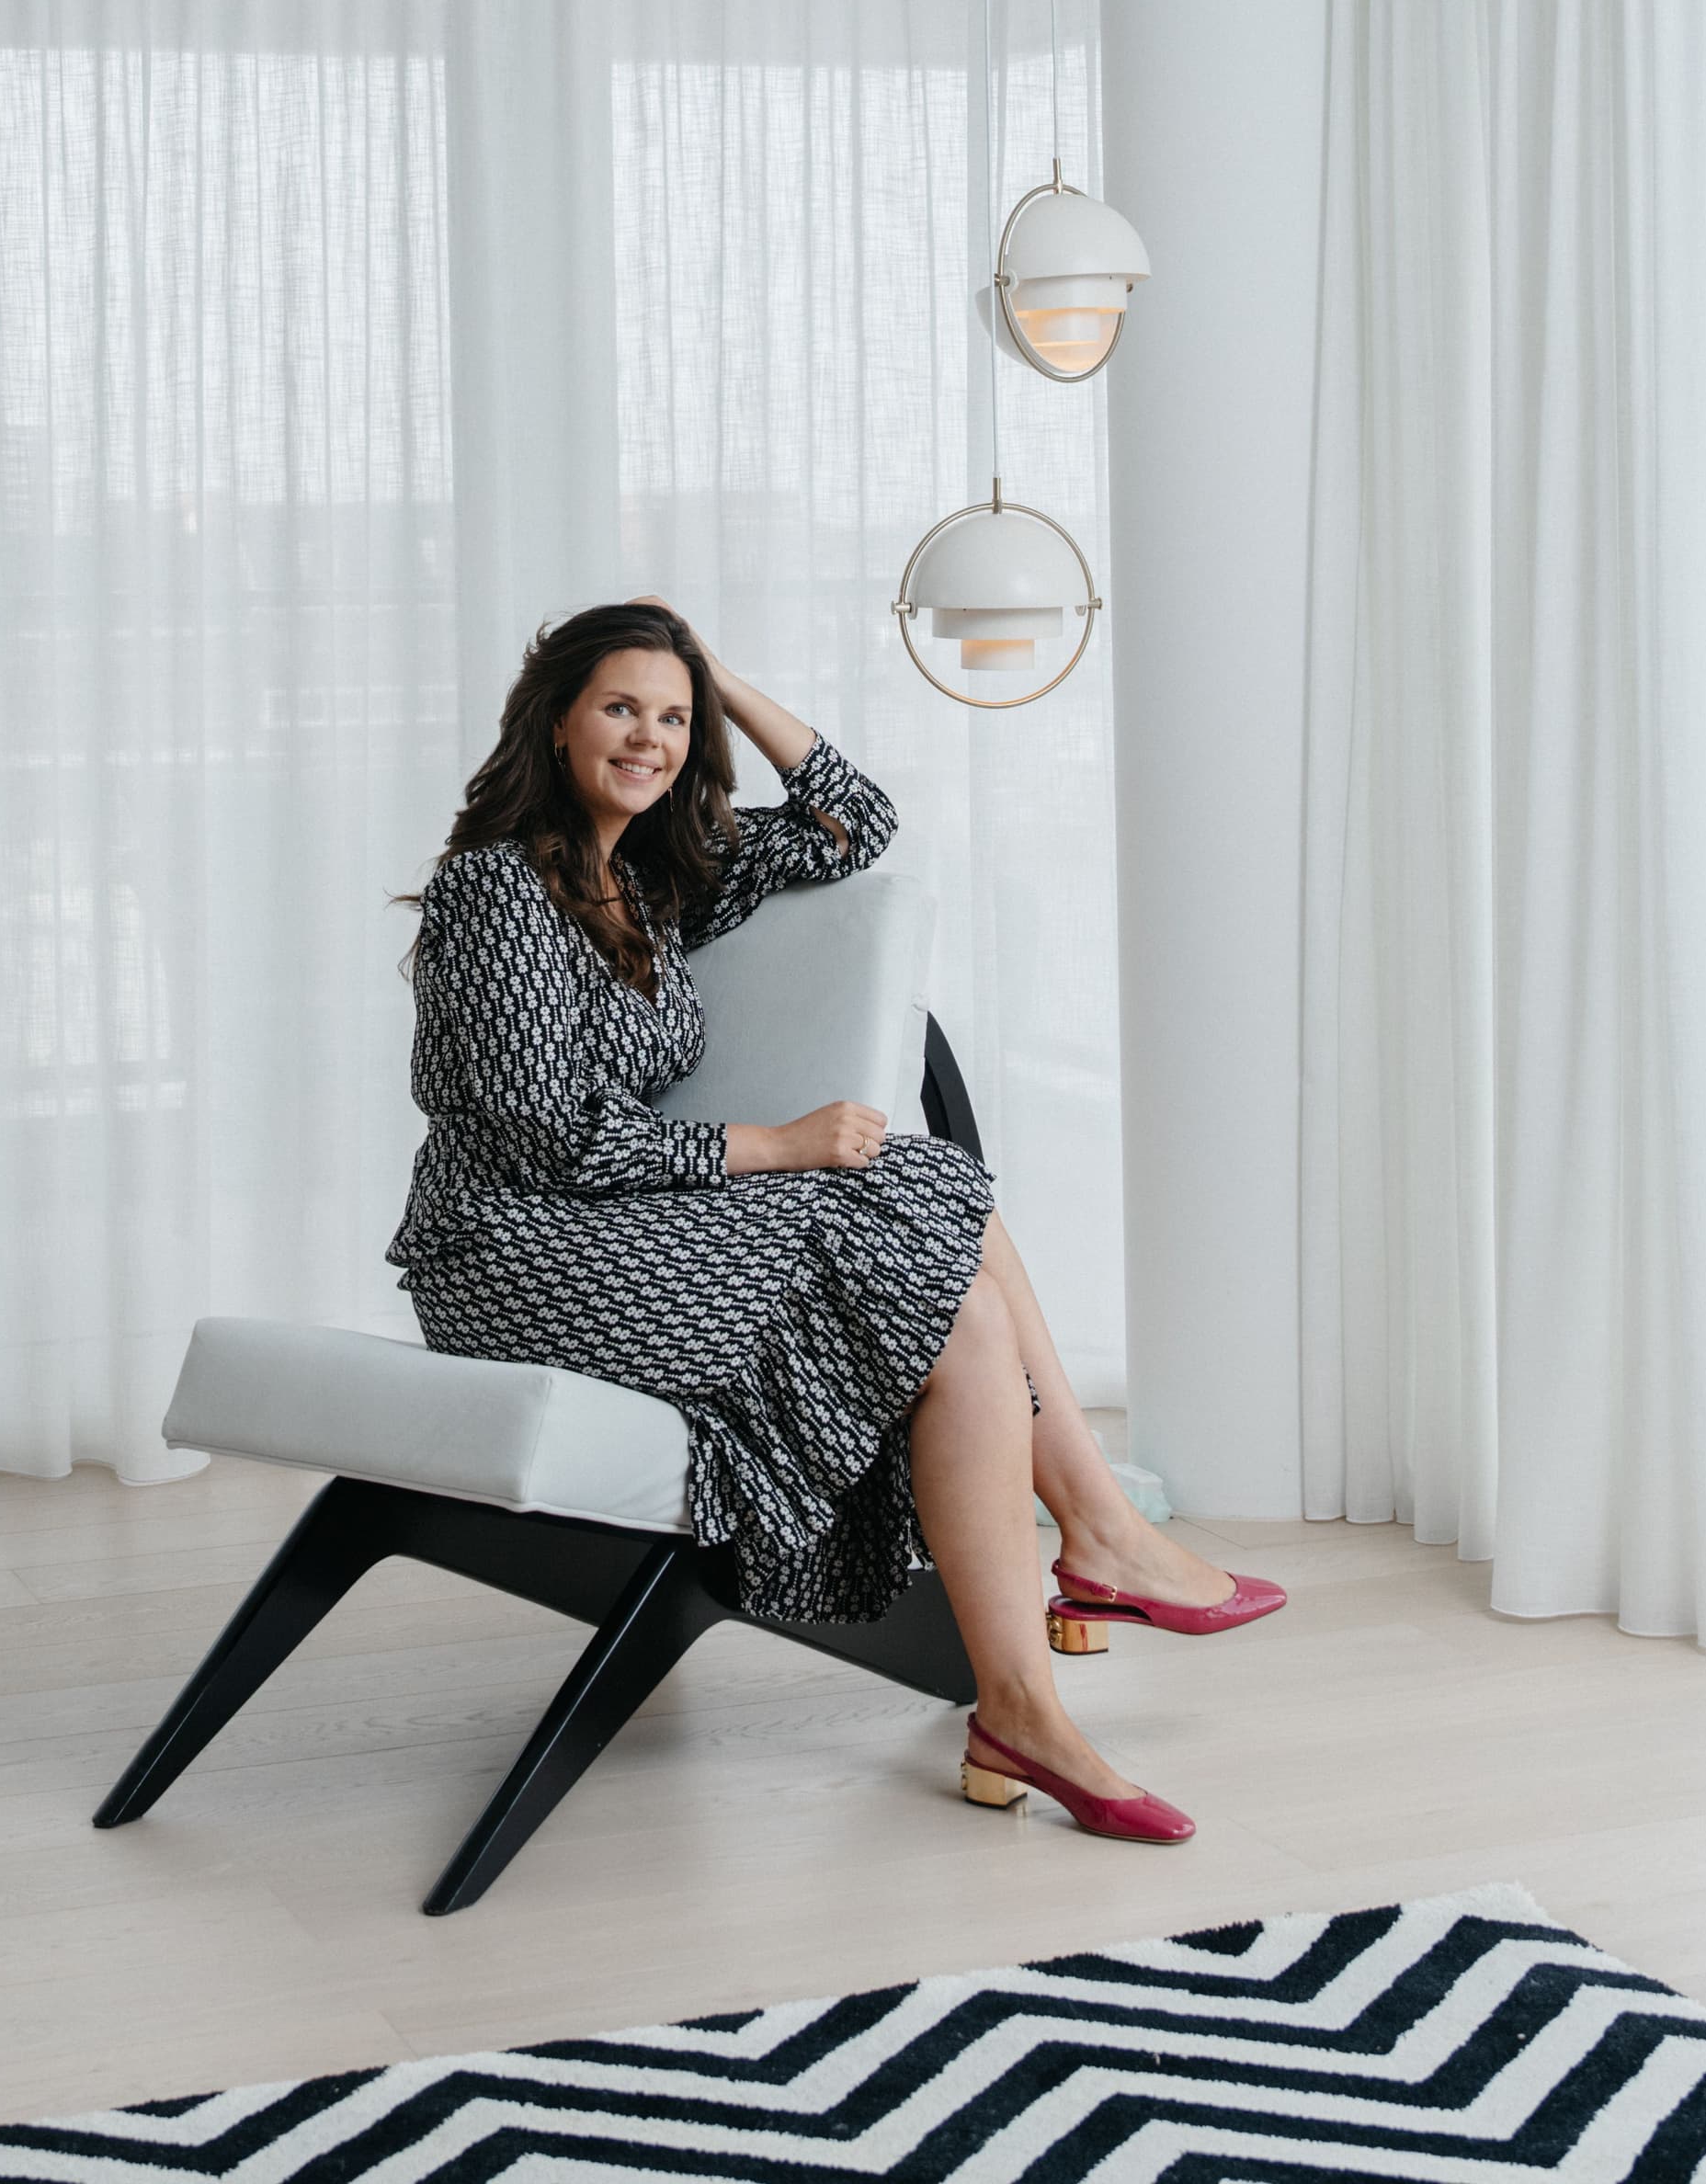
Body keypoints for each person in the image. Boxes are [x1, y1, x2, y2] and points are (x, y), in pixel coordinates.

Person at [391, 599, 1281, 1843]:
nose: (648, 737)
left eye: (672, 718)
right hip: (510, 1250)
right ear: (554, 723)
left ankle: (1038, 1670)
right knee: (923, 1199)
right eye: (619, 708)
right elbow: (553, 1140)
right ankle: (1091, 1553)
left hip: (624, 1231)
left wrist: (718, 675)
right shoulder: (497, 887)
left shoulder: (650, 884)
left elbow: (854, 819)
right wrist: (778, 1145)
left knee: (945, 1255)